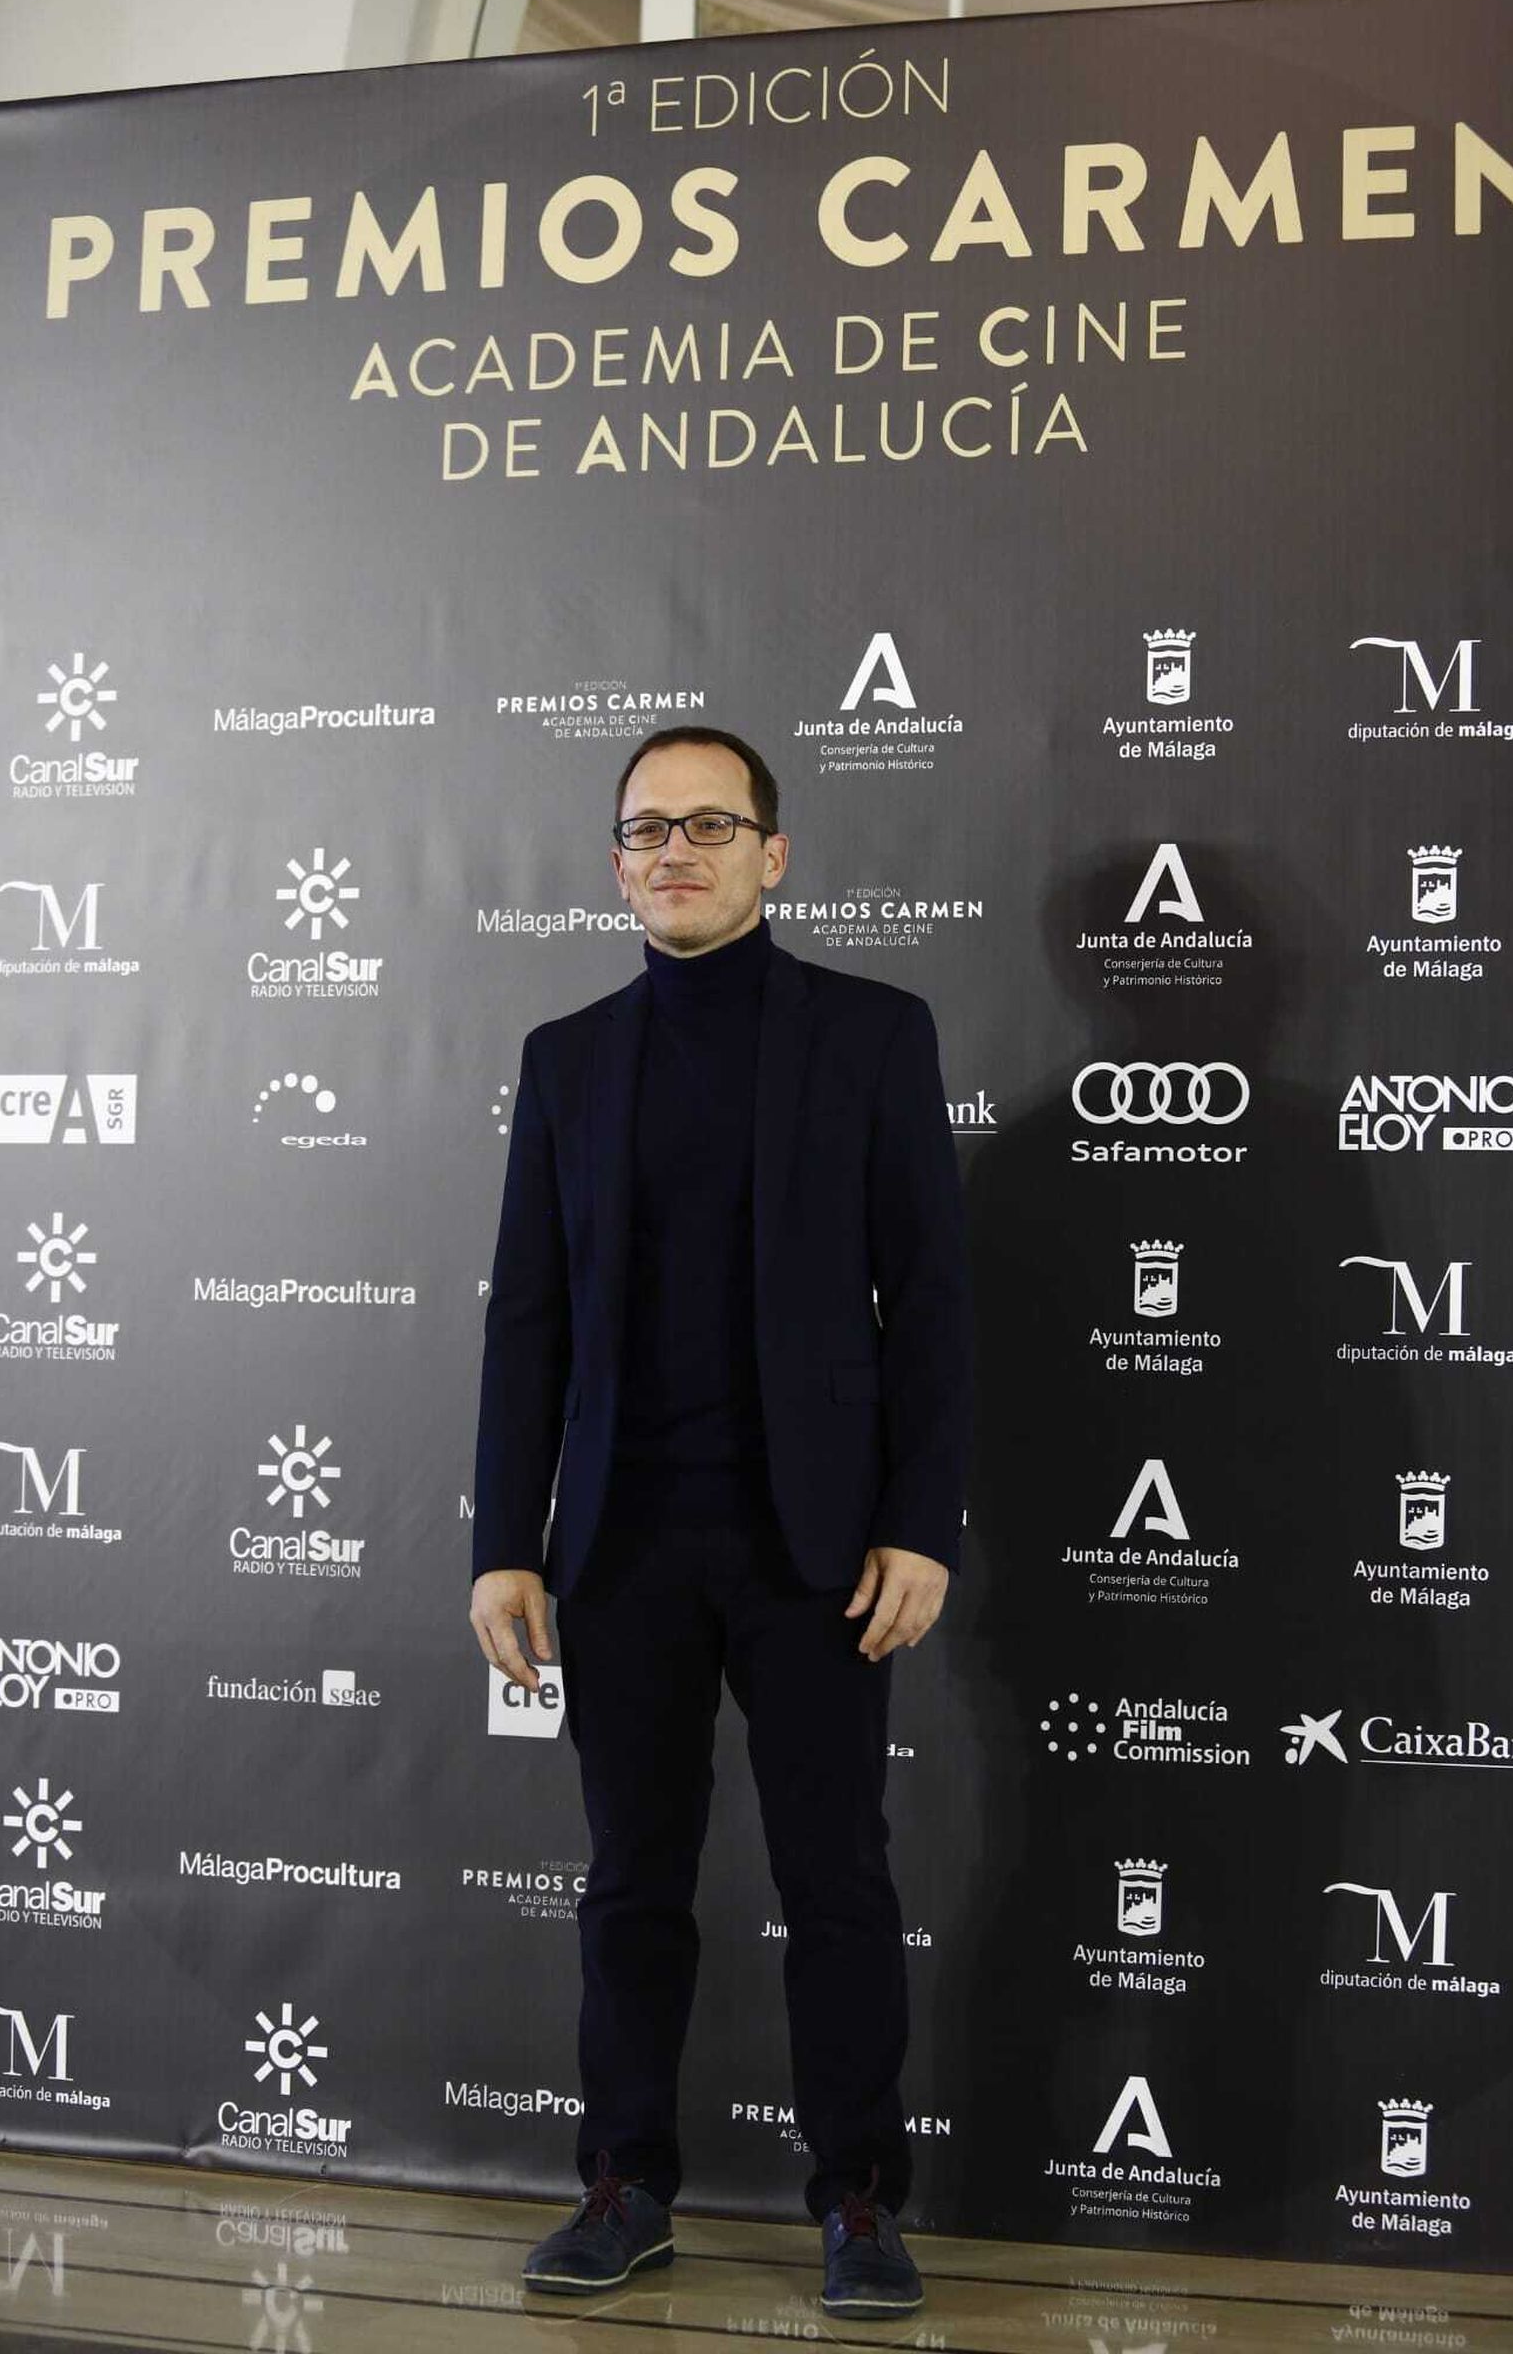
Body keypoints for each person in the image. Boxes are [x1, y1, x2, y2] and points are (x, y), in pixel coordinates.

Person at [469, 725, 973, 2319]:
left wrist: (920, 1518)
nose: (675, 847)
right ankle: (623, 2186)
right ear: (617, 862)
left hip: (819, 1547)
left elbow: (935, 1307)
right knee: (631, 1878)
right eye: (645, 827)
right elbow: (527, 1321)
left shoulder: (876, 1034)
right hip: (621, 1542)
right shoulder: (565, 1057)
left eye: (710, 821)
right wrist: (504, 1536)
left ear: (775, 852)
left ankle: (861, 2201)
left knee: (836, 1876)